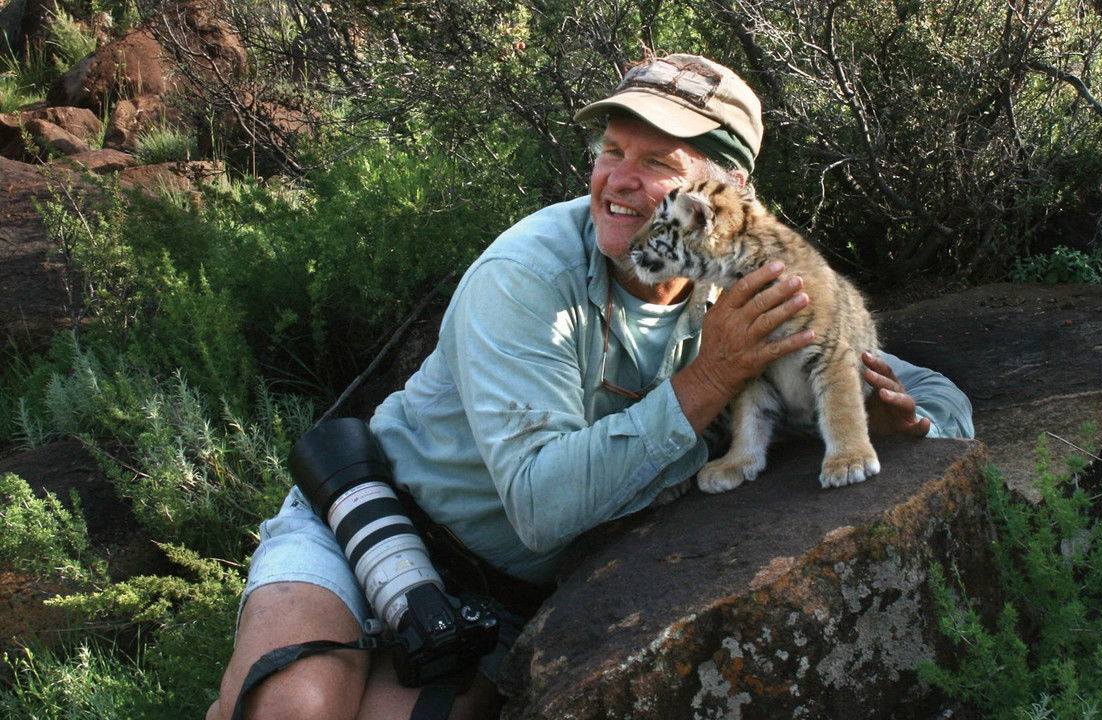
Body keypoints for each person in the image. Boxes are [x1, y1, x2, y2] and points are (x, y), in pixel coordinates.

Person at [205, 53, 974, 720]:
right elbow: (542, 507)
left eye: (659, 163)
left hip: (499, 598)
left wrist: (905, 425)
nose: (621, 181)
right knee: (294, 705)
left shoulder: (756, 279)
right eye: (612, 149)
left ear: (726, 191)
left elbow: (927, 391)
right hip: (368, 517)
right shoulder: (525, 275)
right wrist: (714, 373)